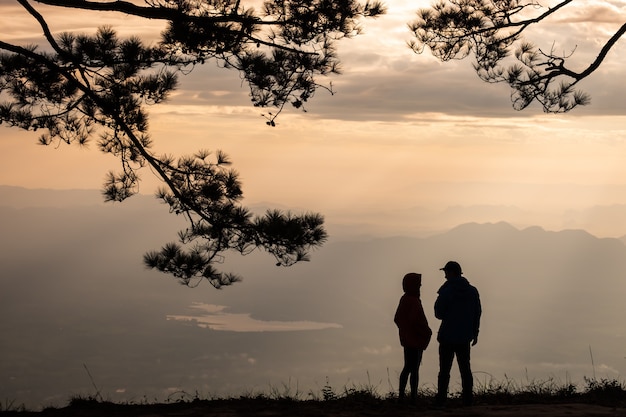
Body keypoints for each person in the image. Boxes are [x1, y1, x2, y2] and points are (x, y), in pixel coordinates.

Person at [434, 261, 481, 407]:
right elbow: (477, 313)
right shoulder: (472, 291)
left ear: (452, 273)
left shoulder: (447, 291)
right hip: (464, 337)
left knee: (444, 371)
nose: (445, 276)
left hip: (447, 336)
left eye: (446, 273)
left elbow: (438, 313)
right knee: (465, 369)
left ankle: (441, 399)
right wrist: (475, 332)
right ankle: (467, 400)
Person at [394, 272, 432, 404]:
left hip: (409, 339)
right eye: (418, 284)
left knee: (408, 367)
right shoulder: (413, 301)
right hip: (415, 340)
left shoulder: (405, 299)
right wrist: (424, 331)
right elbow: (414, 320)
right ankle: (412, 397)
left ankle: (403, 396)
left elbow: (398, 319)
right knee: (413, 369)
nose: (420, 286)